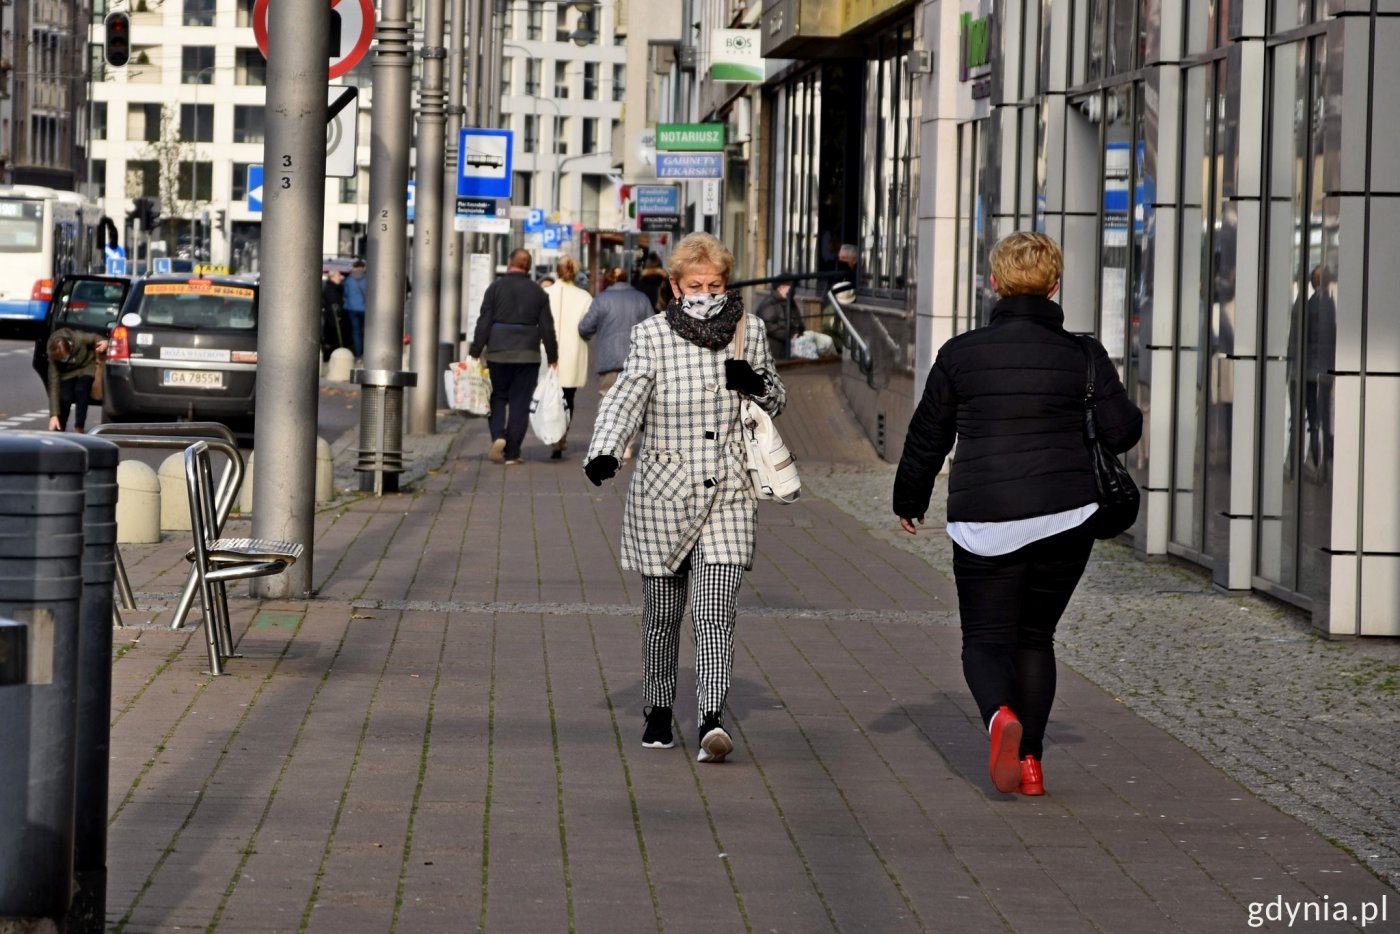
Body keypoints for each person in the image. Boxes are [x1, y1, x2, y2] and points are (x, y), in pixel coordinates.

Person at [892, 232, 1141, 796]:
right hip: (1066, 515)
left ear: (995, 283)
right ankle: (1031, 765)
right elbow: (1123, 430)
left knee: (984, 639)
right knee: (1036, 638)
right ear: (1055, 286)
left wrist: (911, 498)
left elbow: (928, 435)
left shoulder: (960, 353)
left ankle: (998, 719)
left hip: (985, 519)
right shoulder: (1083, 354)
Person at [583, 232, 787, 764]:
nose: (706, 292)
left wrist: (757, 385)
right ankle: (656, 708)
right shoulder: (651, 335)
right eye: (695, 284)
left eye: (715, 284)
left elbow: (777, 398)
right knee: (662, 614)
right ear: (674, 287)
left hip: (730, 491)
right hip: (663, 492)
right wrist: (606, 451)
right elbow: (627, 395)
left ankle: (712, 719)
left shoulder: (751, 330)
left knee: (716, 611)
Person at [468, 247, 559, 464]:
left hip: (498, 352)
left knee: (497, 396)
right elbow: (547, 327)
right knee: (520, 402)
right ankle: (512, 453)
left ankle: (498, 435)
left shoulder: (495, 288)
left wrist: (475, 351)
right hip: (528, 354)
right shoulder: (539, 293)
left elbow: (484, 322)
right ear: (528, 267)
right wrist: (554, 357)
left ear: (510, 263)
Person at [577, 266, 654, 460]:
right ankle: (628, 446)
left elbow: (586, 327)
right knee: (633, 403)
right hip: (636, 358)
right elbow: (653, 325)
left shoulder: (601, 299)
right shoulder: (641, 298)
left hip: (609, 360)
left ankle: (608, 443)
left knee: (607, 402)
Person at [544, 256, 592, 459]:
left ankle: (553, 435)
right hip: (574, 351)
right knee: (568, 397)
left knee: (549, 395)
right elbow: (588, 327)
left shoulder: (545, 293)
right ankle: (562, 434)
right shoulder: (584, 297)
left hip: (547, 351)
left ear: (557, 271)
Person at [46, 328, 108, 432]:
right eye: (62, 360)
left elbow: (95, 338)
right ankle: (59, 426)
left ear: (70, 348)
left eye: (65, 358)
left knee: (81, 389)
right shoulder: (53, 356)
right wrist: (54, 415)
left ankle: (79, 426)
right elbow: (54, 384)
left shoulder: (79, 338)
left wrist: (105, 342)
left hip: (86, 366)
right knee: (65, 397)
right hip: (67, 372)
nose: (64, 360)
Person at [755, 272, 802, 360]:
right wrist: (789, 335)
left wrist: (799, 332)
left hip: (789, 346)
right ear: (781, 288)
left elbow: (798, 321)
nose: (794, 290)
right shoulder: (770, 303)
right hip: (774, 349)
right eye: (791, 287)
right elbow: (767, 325)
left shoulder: (790, 302)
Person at [342, 258, 368, 359]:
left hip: (352, 309)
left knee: (356, 331)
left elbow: (346, 294)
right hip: (366, 309)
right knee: (366, 331)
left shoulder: (349, 280)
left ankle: (358, 354)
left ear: (354, 268)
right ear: (363, 268)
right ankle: (366, 352)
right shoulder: (368, 279)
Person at [320, 268, 347, 360]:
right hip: (333, 317)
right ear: (332, 277)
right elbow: (333, 302)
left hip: (333, 316)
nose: (341, 277)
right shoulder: (331, 288)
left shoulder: (335, 287)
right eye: (338, 275)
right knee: (332, 336)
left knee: (332, 336)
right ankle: (332, 355)